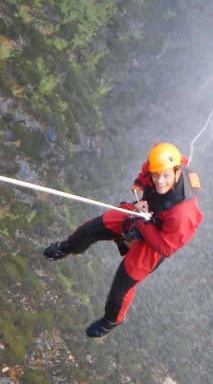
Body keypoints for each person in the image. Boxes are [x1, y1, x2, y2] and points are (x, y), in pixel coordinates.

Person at [43, 142, 204, 337]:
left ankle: (111, 320)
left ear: (177, 171)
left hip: (154, 241)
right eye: (156, 175)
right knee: (89, 229)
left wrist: (144, 222)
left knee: (121, 288)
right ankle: (69, 247)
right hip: (143, 214)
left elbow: (165, 248)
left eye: (166, 175)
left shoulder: (183, 213)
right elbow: (148, 168)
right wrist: (140, 182)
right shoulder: (160, 166)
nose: (160, 180)